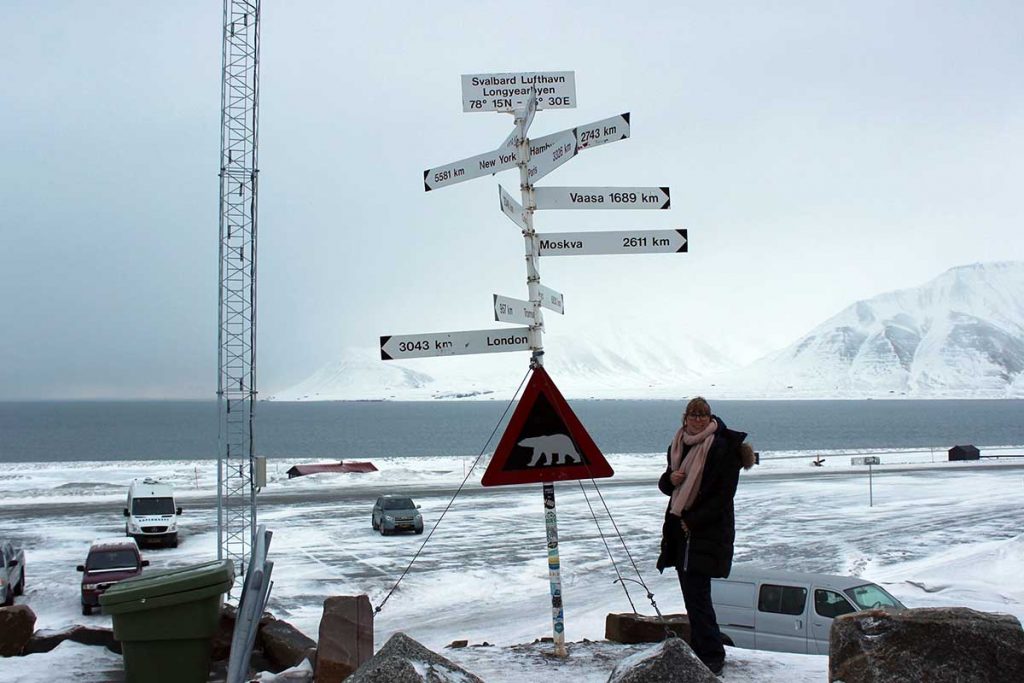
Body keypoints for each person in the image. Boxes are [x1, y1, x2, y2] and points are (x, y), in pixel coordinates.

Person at [656, 396, 755, 675]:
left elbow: (723, 495)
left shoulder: (722, 448)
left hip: (705, 532)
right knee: (691, 594)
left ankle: (712, 654)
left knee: (698, 594)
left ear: (710, 417)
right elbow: (669, 484)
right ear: (684, 418)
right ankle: (703, 649)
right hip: (680, 531)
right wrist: (669, 480)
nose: (698, 419)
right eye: (693, 415)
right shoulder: (678, 445)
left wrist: (693, 522)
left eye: (703, 415)